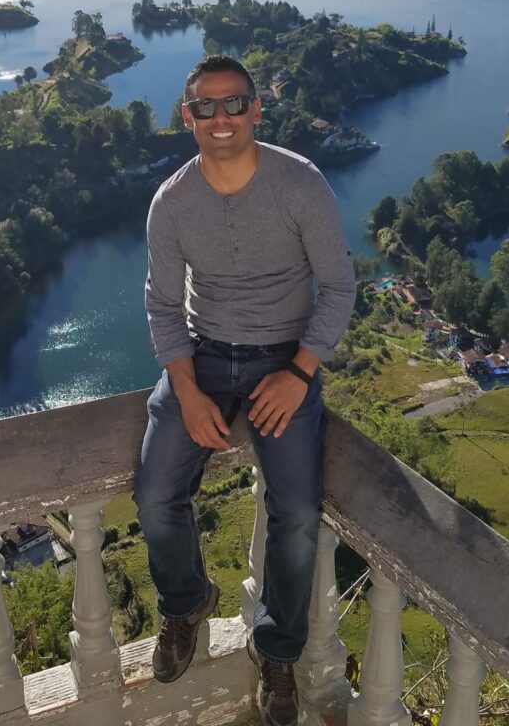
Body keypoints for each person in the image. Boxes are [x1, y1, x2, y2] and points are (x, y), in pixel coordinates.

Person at [133, 54, 355, 726]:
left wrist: (299, 372)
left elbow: (340, 287)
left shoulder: (300, 184)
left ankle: (278, 652)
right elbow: (162, 307)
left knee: (295, 515)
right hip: (202, 359)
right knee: (153, 492)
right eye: (207, 106)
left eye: (235, 104)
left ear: (258, 109)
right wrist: (188, 390)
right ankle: (186, 601)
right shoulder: (172, 202)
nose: (222, 118)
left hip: (283, 364)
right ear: (188, 116)